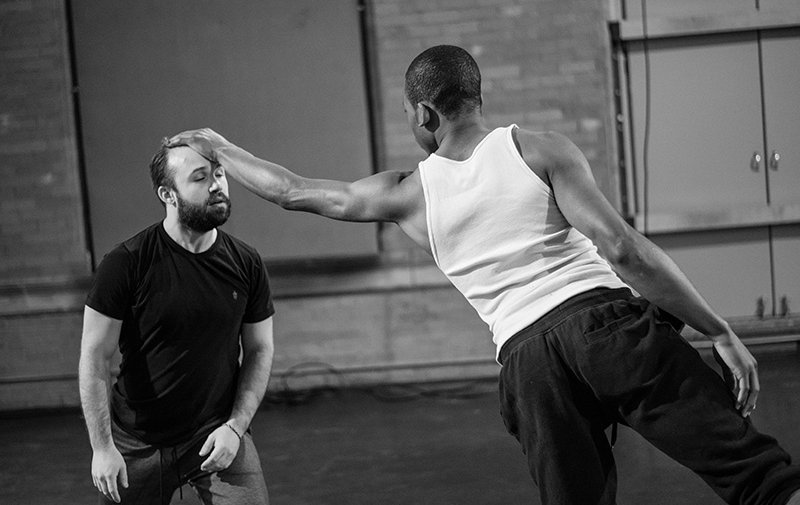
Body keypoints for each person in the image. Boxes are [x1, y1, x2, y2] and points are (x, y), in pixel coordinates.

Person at [168, 44, 800, 505]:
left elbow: (293, 191)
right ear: (475, 98)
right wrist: (718, 329)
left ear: (423, 113)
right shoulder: (540, 149)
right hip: (609, 332)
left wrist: (218, 146)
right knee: (758, 477)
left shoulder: (408, 194)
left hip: (530, 367)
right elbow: (623, 249)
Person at [78, 141, 275, 505]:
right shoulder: (126, 263)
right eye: (200, 178)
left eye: (219, 174)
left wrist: (236, 427)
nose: (216, 185)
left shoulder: (246, 262)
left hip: (216, 434)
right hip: (137, 442)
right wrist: (102, 448)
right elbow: (95, 357)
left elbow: (260, 349)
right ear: (168, 194)